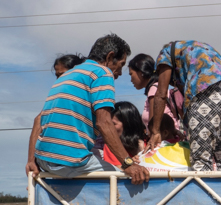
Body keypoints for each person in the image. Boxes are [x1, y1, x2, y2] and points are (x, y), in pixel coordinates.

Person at [26, 34, 149, 185]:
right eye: (121, 64)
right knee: (131, 180)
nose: (120, 72)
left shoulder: (68, 74)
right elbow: (104, 123)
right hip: (70, 161)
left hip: (43, 161)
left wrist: (31, 160)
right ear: (110, 57)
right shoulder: (102, 73)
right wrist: (128, 163)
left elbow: (38, 119)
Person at [147, 41, 221, 172]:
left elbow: (161, 94)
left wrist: (155, 131)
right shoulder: (204, 48)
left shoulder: (166, 53)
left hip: (207, 92)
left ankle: (204, 193)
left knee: (201, 160)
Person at [128, 53, 184, 132]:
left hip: (164, 141)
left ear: (141, 72)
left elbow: (153, 126)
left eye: (131, 74)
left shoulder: (154, 89)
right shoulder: (157, 87)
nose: (131, 79)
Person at [102, 102, 146, 166]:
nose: (108, 127)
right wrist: (129, 163)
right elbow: (115, 170)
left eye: (113, 124)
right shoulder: (111, 145)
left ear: (128, 125)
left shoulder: (150, 144)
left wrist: (142, 153)